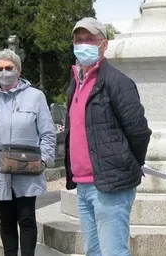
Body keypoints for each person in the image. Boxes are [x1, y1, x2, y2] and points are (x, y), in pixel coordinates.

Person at [64, 17, 152, 256]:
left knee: (114, 252)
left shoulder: (117, 82)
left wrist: (127, 162)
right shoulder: (75, 82)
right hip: (83, 184)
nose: (83, 44)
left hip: (110, 185)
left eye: (90, 39)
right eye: (78, 39)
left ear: (104, 45)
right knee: (93, 252)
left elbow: (138, 131)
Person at [0, 49, 56, 256]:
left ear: (18, 70)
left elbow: (47, 133)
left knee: (27, 219)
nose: (4, 72)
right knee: (6, 220)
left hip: (28, 168)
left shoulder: (35, 97)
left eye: (8, 68)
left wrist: (44, 160)